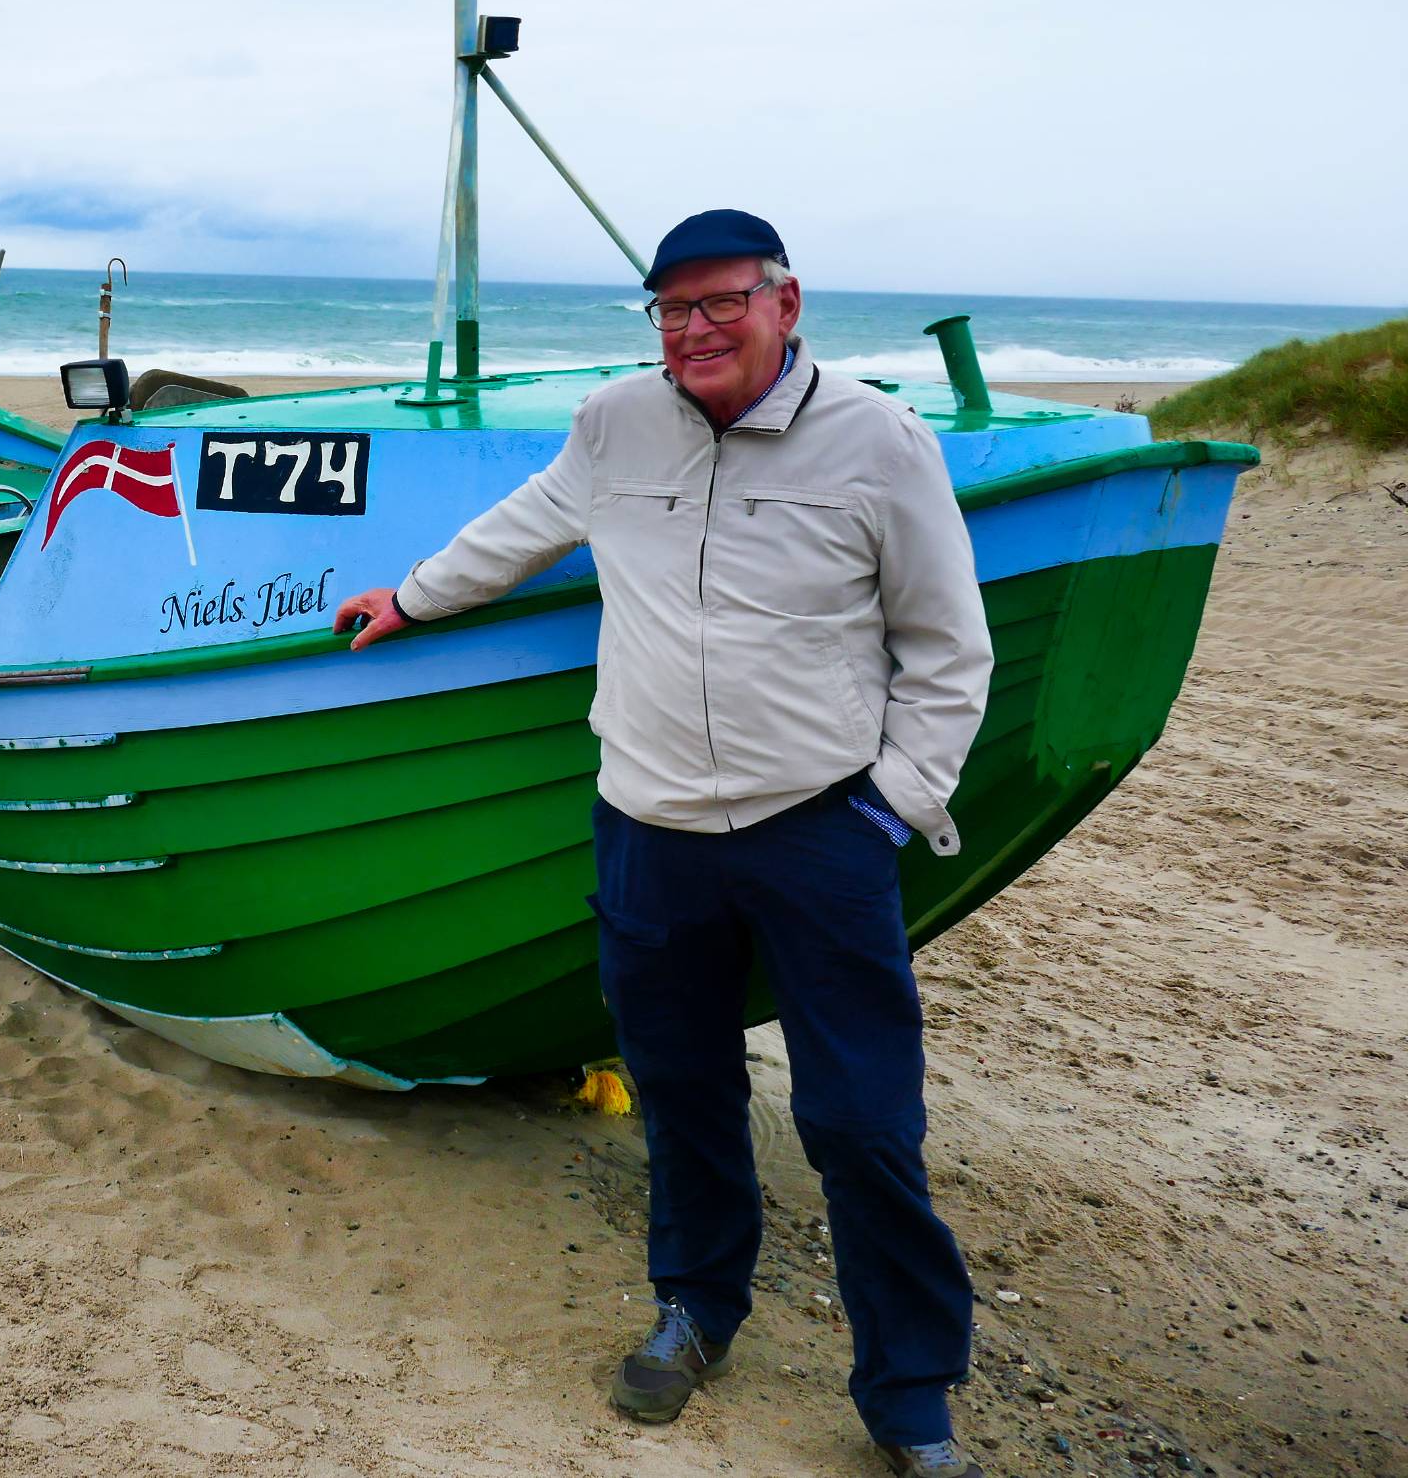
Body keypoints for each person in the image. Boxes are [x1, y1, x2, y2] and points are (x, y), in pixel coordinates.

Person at [331, 210, 993, 1478]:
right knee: (681, 1087)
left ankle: (910, 1392)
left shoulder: (880, 444)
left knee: (861, 1121)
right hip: (647, 824)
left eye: (718, 302)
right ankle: (697, 1308)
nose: (692, 329)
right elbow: (524, 523)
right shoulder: (614, 421)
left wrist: (886, 808)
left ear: (784, 303)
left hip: (817, 831)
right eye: (669, 309)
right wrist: (410, 595)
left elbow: (947, 647)